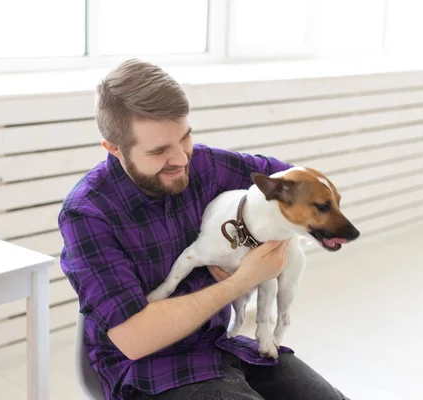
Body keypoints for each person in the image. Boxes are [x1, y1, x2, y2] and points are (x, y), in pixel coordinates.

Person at [58, 59, 348, 400]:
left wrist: (272, 242)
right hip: (144, 372)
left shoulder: (205, 165)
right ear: (114, 148)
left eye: (185, 137)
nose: (181, 159)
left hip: (219, 346)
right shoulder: (87, 214)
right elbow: (135, 339)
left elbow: (296, 187)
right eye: (159, 151)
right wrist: (242, 280)